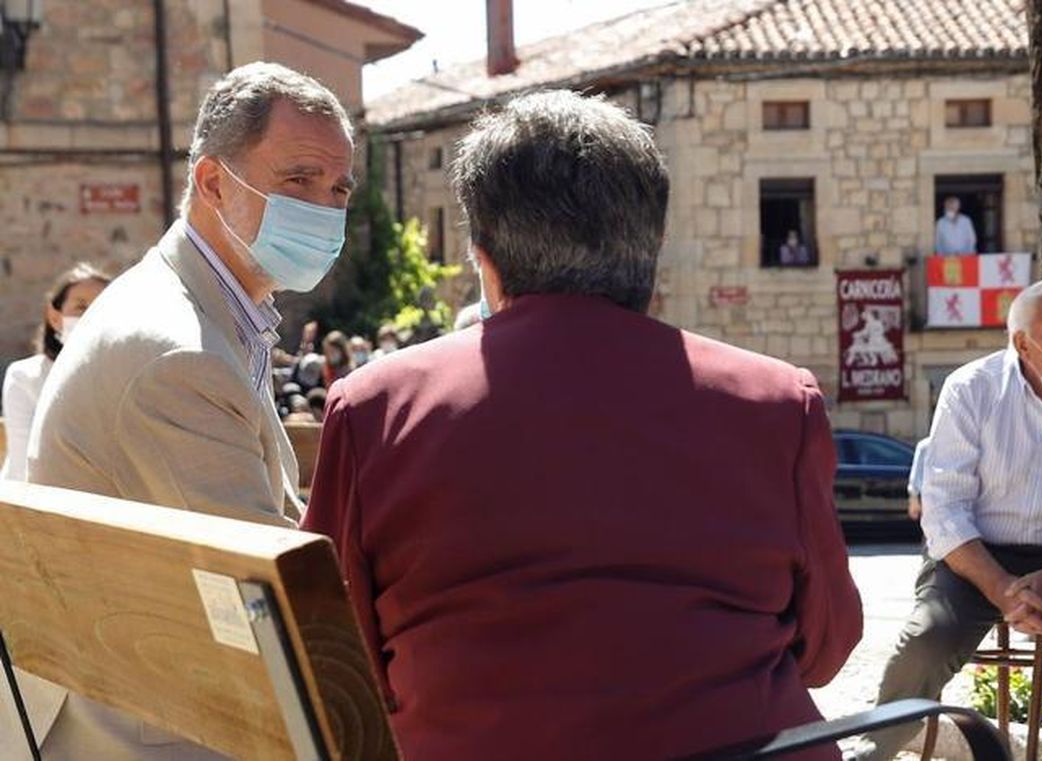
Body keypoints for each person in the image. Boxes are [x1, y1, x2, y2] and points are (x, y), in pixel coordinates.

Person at [300, 91, 861, 760]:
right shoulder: (776, 403)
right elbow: (827, 645)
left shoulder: (375, 408)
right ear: (652, 249)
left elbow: (339, 652)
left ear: (483, 259)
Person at [7, 63, 355, 761]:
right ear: (213, 182)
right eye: (299, 180)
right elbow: (283, 608)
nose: (324, 208)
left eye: (339, 188)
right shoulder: (180, 352)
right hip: (148, 726)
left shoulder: (197, 306)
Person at [853, 276, 1042, 761]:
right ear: (1022, 342)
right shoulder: (970, 389)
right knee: (927, 637)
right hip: (973, 560)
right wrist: (999, 587)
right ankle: (870, 753)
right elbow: (945, 508)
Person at [1, 264, 111, 481]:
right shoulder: (25, 377)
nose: (91, 316)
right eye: (81, 307)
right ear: (55, 317)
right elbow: (24, 464)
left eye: (101, 307)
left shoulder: (122, 377)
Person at [907, 436, 931, 521]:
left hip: (933, 503)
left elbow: (916, 474)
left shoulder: (926, 445)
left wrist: (913, 498)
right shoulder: (964, 444)